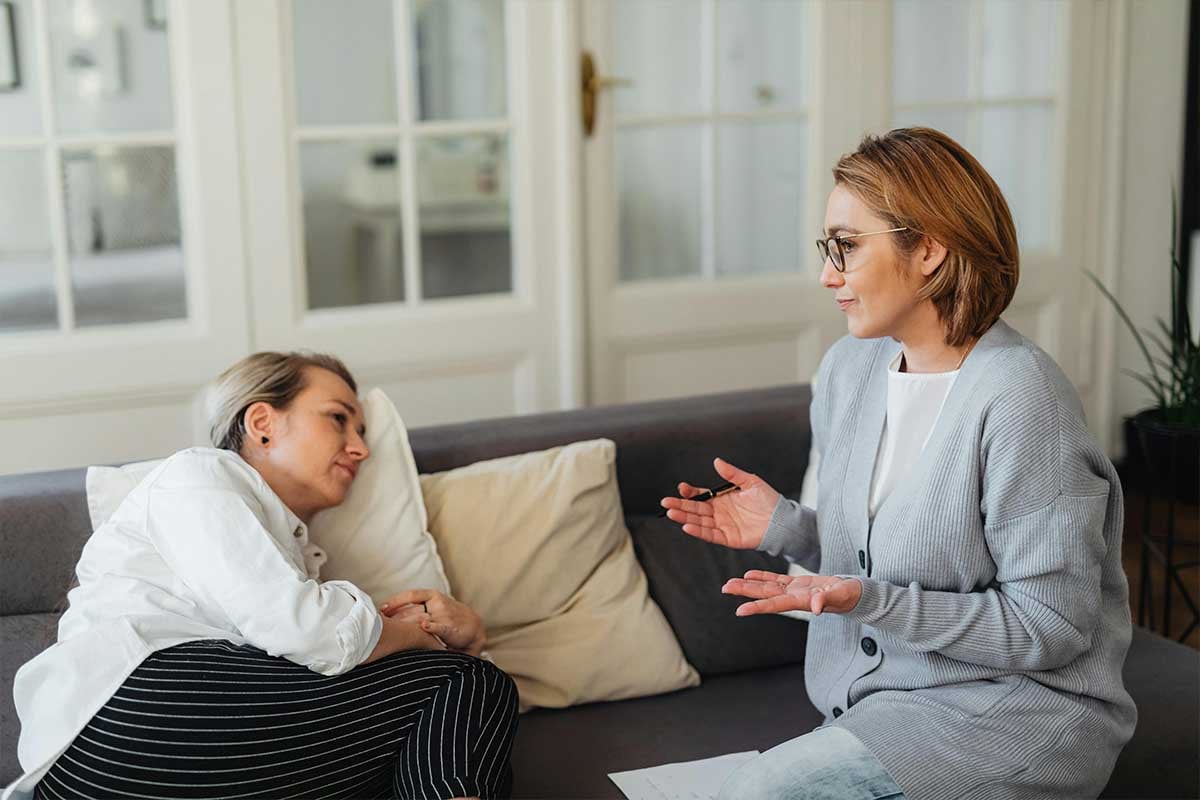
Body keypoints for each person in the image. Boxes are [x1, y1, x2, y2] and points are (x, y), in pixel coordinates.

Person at [660, 128, 1137, 800]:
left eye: (847, 247)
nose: (829, 274)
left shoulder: (1024, 401)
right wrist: (789, 527)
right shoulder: (849, 369)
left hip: (1014, 717)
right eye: (828, 249)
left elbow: (1049, 628)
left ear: (931, 250)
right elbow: (902, 557)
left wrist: (870, 601)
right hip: (884, 709)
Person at [6, 352, 518, 800]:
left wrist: (454, 640)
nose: (360, 448)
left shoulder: (301, 560)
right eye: (338, 419)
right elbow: (308, 630)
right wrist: (429, 636)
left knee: (436, 738)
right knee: (468, 682)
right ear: (262, 423)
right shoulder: (199, 475)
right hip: (126, 720)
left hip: (181, 752)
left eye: (361, 432)